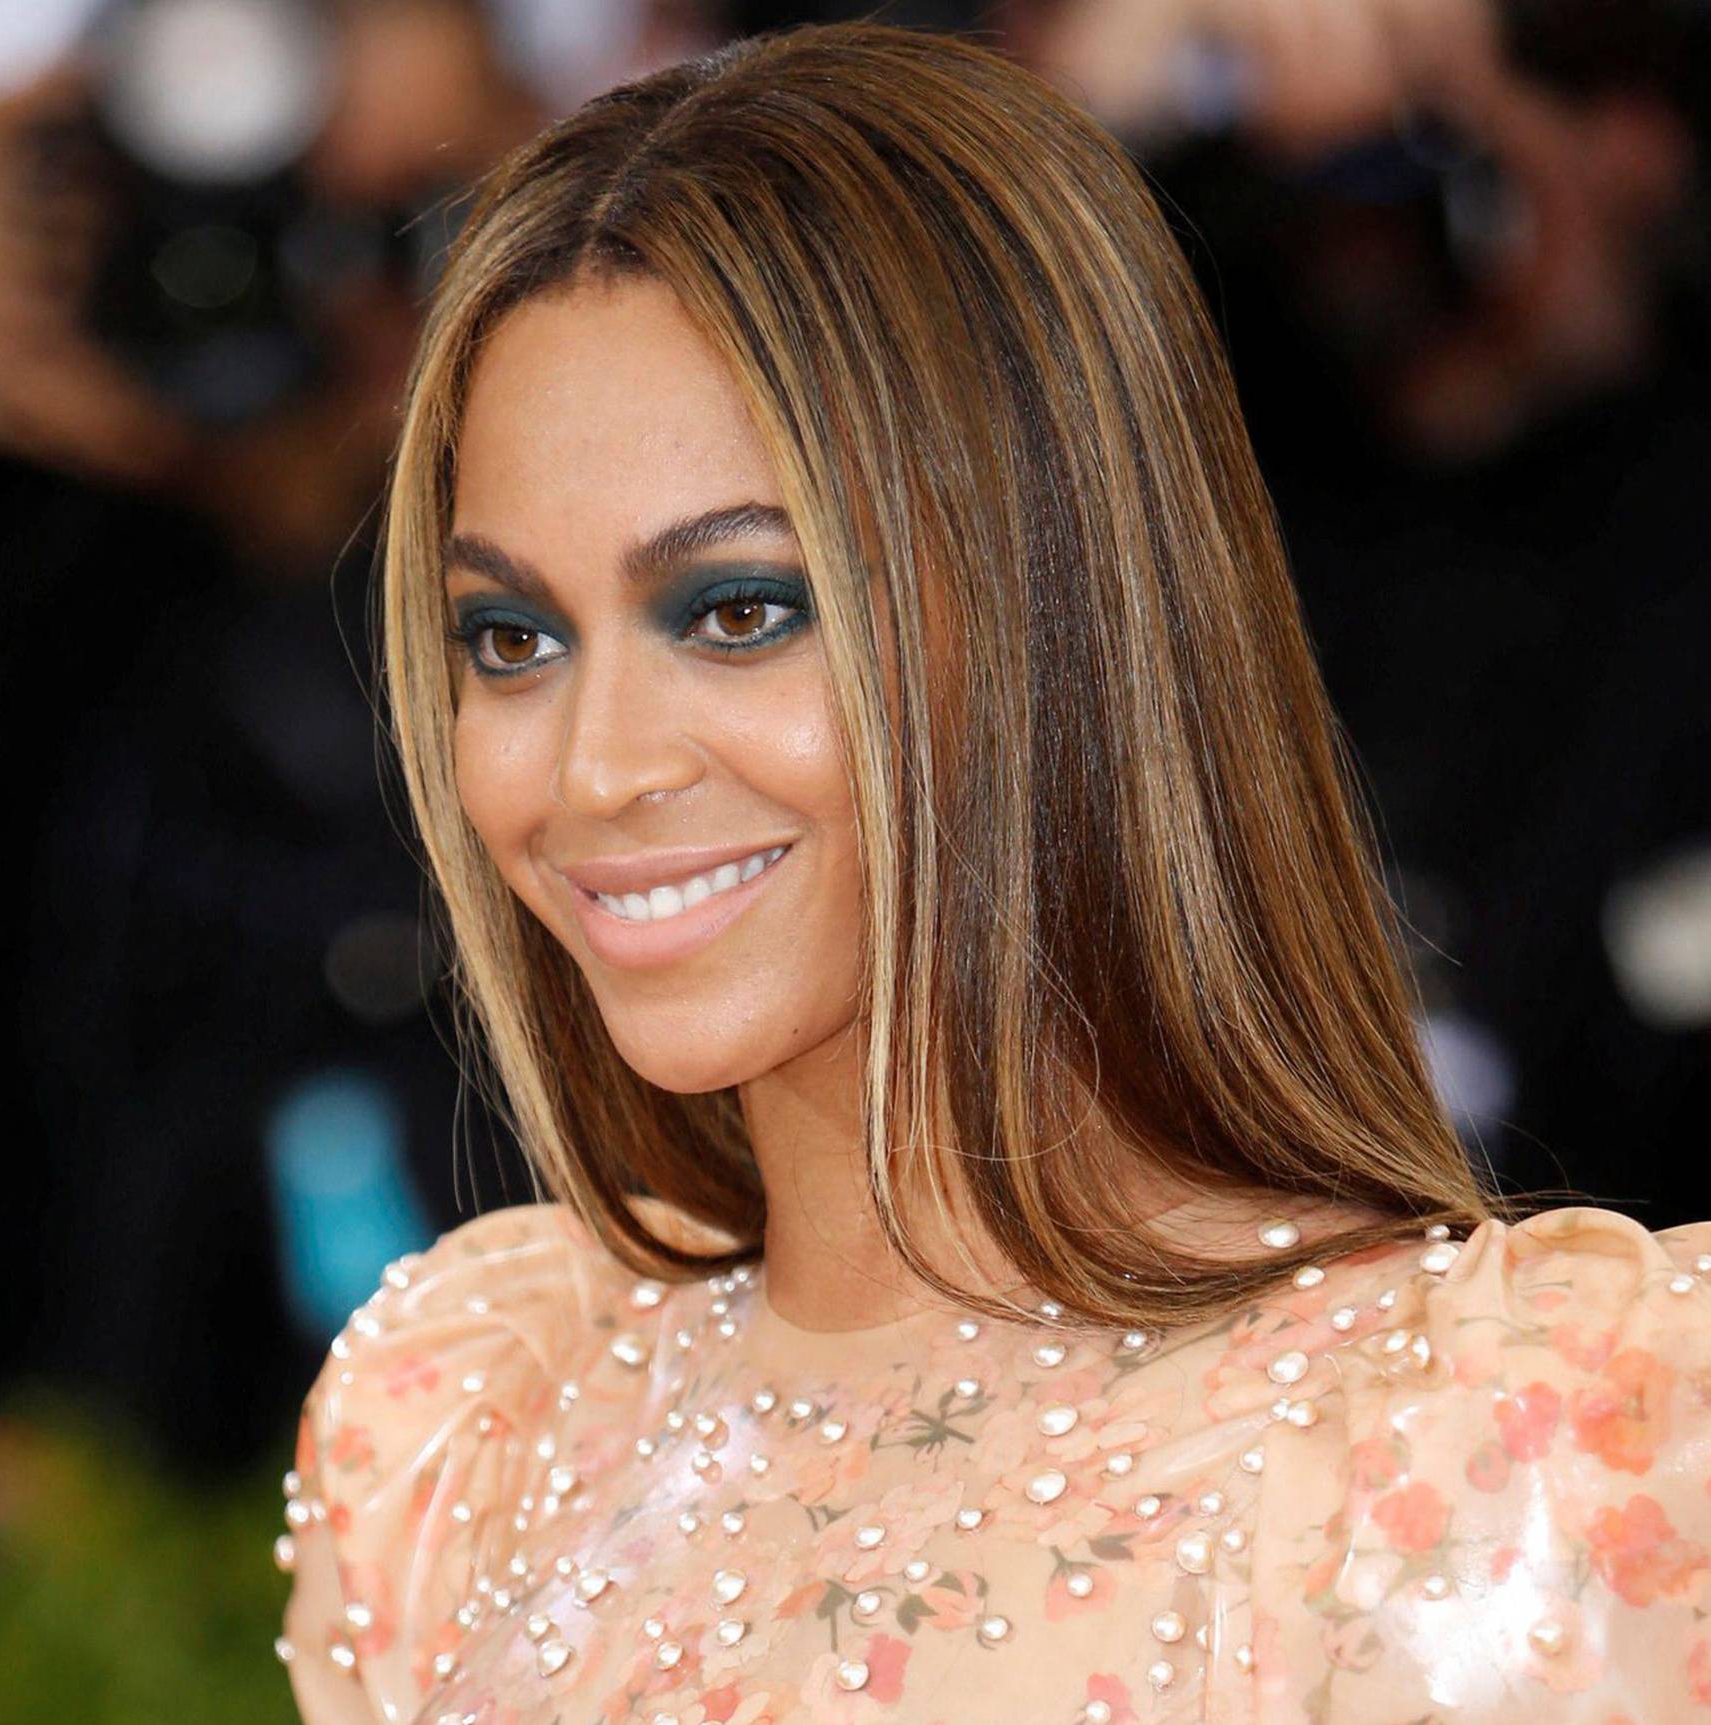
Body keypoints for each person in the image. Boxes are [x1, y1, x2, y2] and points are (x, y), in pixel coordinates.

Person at [277, 23, 1711, 1723]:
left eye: (740, 610)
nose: (593, 768)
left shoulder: (1535, 1439)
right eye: (509, 638)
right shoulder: (468, 1429)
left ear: (1061, 617)